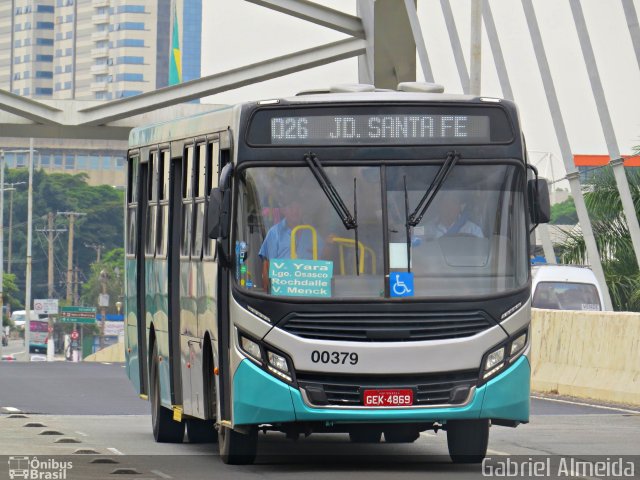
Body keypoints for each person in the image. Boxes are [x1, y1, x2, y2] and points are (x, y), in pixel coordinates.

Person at [259, 198, 322, 290]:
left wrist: (330, 244)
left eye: (298, 207)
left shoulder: (312, 233)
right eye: (291, 207)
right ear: (283, 210)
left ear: (303, 210)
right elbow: (267, 265)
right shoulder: (274, 232)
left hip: (309, 290)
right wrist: (267, 293)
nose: (295, 211)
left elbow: (324, 259)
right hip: (283, 290)